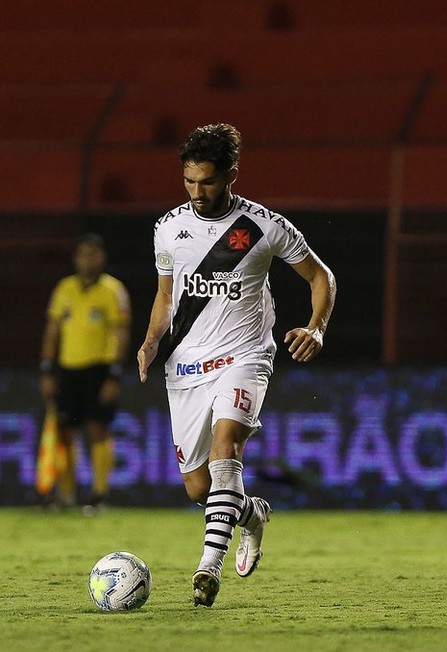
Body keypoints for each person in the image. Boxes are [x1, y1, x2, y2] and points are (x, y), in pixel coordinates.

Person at [136, 123, 336, 608]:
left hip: (246, 356)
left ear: (231, 176)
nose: (197, 192)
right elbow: (166, 295)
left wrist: (316, 326)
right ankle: (252, 515)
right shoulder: (169, 228)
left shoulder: (264, 227)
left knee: (229, 446)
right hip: (186, 365)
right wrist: (149, 341)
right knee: (198, 488)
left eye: (206, 181)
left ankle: (207, 569)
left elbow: (320, 275)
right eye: (189, 181)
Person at [39, 233, 131, 514]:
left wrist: (114, 375)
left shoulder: (113, 290)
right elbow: (52, 331)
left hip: (98, 369)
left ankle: (98, 494)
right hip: (67, 369)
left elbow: (121, 333)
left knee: (97, 429)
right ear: (75, 258)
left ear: (102, 258)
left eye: (93, 254)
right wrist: (47, 369)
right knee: (65, 432)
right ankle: (66, 495)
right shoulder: (64, 289)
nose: (88, 259)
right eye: (83, 254)